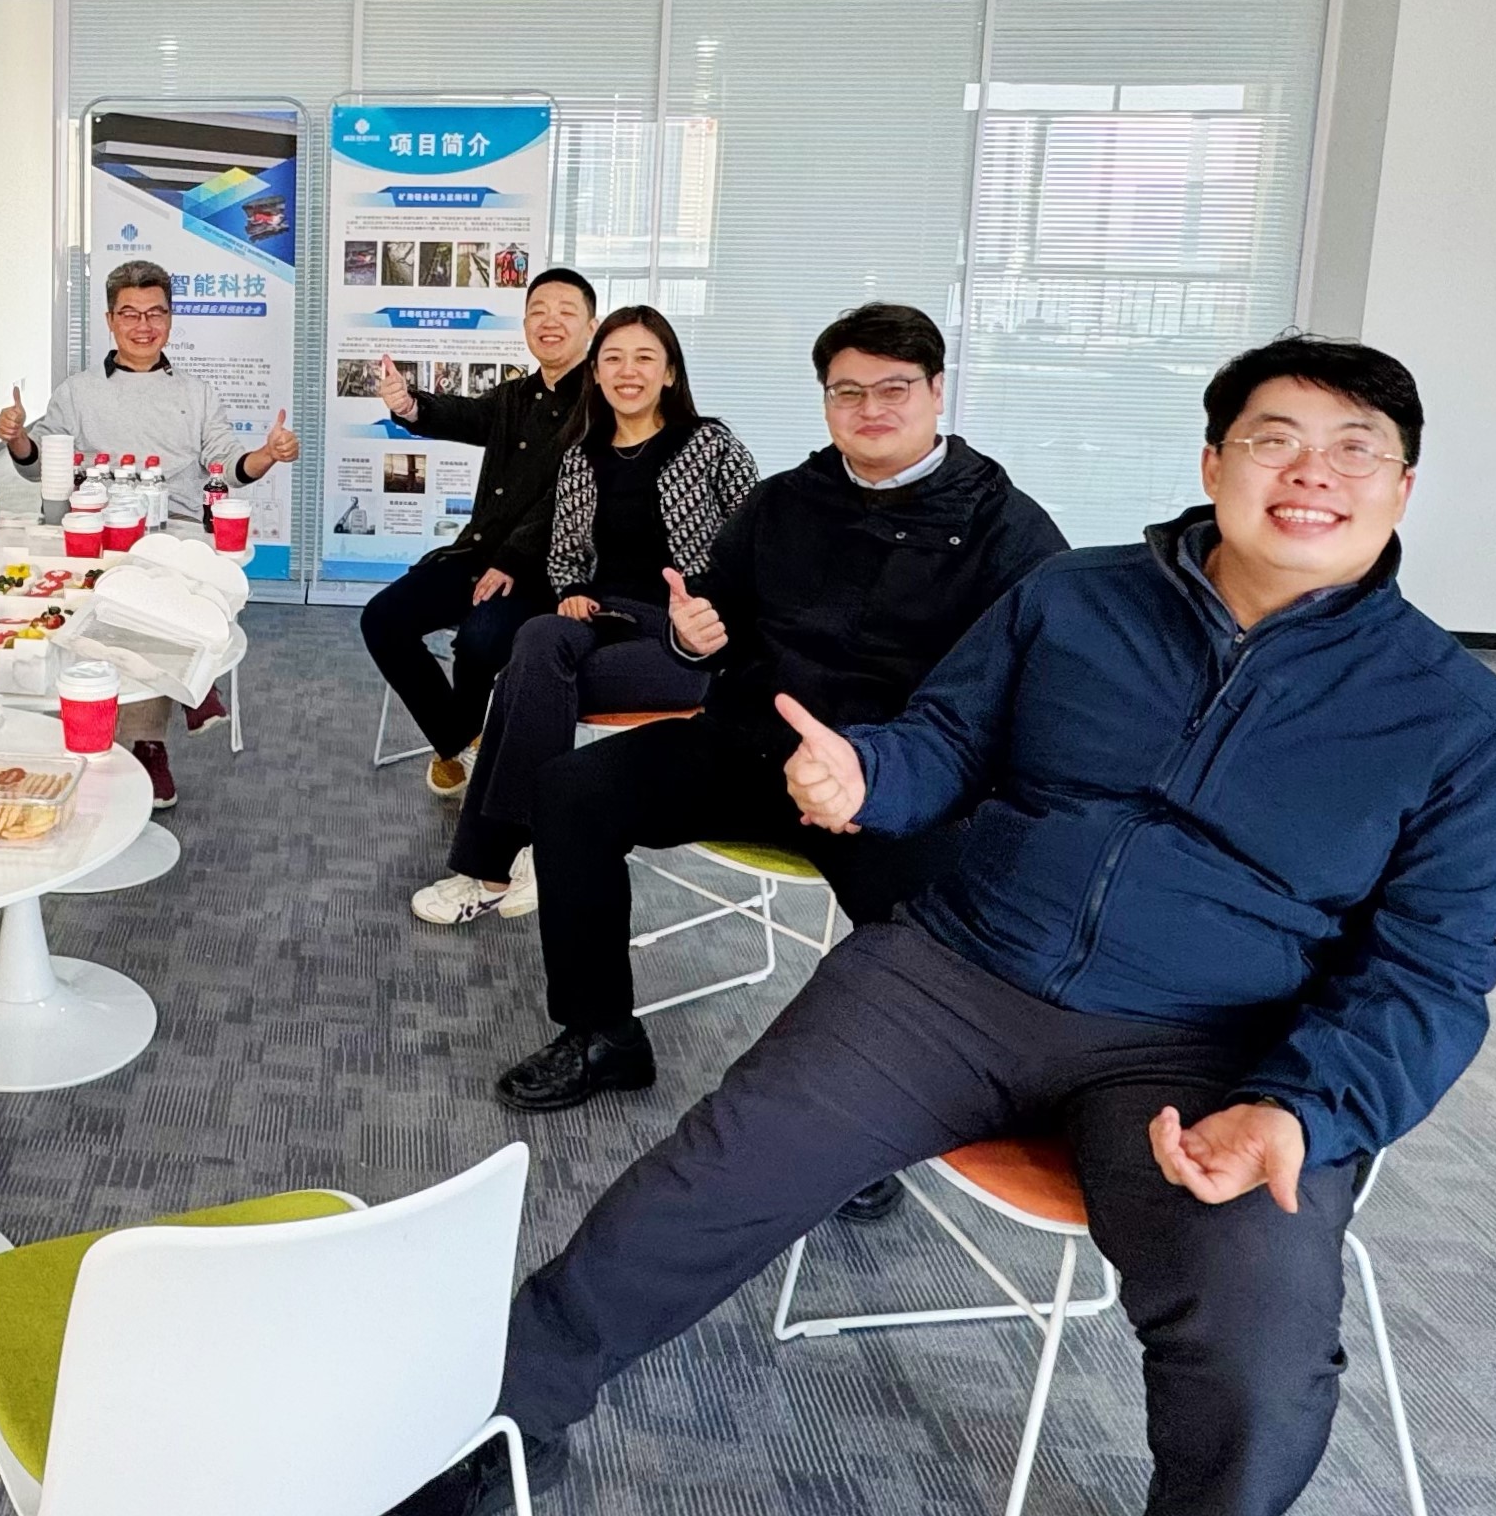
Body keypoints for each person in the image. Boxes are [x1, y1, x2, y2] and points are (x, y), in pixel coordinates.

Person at [372, 336, 1496, 1516]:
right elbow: (945, 737)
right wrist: (870, 776)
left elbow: (1431, 974)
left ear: (1403, 485)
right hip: (959, 969)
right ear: (1210, 462)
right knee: (718, 1167)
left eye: (1354, 447)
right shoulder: (1076, 601)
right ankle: (510, 1400)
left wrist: (1301, 1107)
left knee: (1258, 1309)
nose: (1310, 472)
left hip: (1215, 1048)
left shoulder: (1465, 727)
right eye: (1272, 437)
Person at [492, 302, 1069, 1118]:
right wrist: (693, 637)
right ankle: (601, 1034)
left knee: (932, 927)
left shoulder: (1005, 528)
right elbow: (717, 613)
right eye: (847, 391)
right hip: (752, 747)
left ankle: (880, 1112)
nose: (869, 409)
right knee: (569, 791)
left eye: (894, 388)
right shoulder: (786, 501)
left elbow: (1035, 691)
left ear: (938, 391)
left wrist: (889, 774)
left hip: (891, 783)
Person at [409, 306, 761, 926]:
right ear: (595, 373)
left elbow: (759, 541)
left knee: (522, 685)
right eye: (613, 359)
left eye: (644, 358)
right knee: (540, 635)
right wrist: (570, 588)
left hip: (688, 639)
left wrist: (717, 609)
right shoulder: (582, 456)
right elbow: (568, 554)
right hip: (603, 619)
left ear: (670, 373)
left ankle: (491, 868)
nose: (628, 371)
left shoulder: (710, 444)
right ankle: (532, 850)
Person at [0, 258, 296, 808]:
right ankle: (191, 687)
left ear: (171, 319)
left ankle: (148, 742)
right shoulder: (77, 392)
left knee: (154, 575)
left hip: (173, 528)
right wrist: (16, 437)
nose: (143, 325)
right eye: (130, 314)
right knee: (129, 588)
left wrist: (268, 454)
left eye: (156, 313)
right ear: (110, 320)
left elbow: (228, 466)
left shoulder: (197, 394)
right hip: (94, 527)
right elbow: (39, 465)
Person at [355, 268, 600, 797]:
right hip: (478, 553)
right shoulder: (516, 395)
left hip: (547, 570)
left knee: (481, 639)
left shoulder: (601, 406)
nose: (550, 322)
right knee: (382, 619)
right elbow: (464, 414)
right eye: (538, 312)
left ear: (591, 327)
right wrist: (410, 405)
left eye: (566, 312)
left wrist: (514, 558)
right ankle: (462, 740)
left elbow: (570, 501)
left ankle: (473, 749)